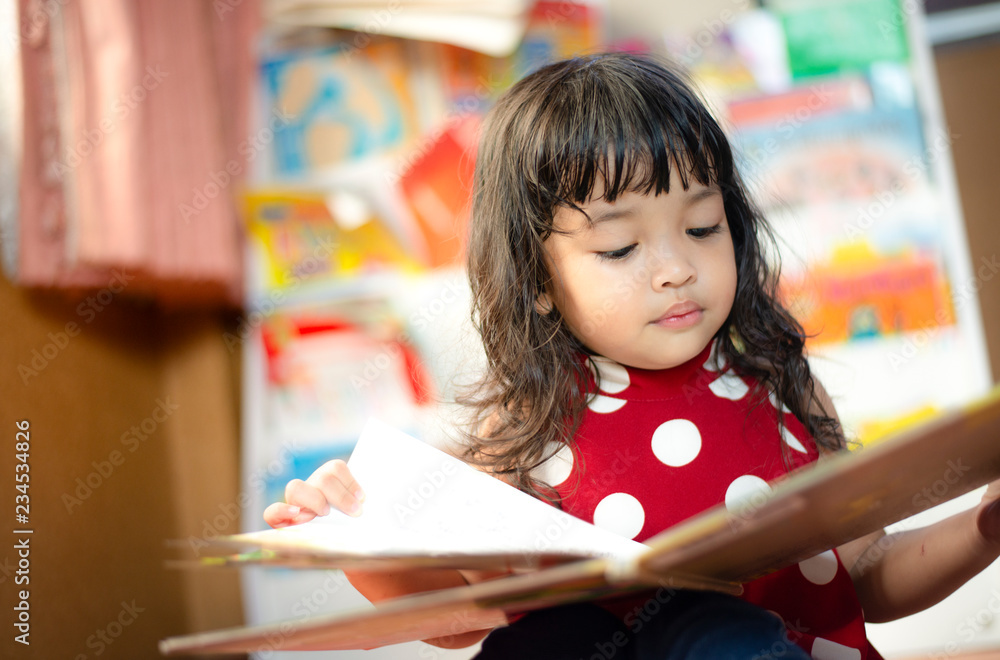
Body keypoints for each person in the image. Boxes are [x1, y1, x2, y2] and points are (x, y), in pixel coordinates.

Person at [264, 53, 1000, 659]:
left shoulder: (781, 391)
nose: (676, 267)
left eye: (704, 227)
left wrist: (980, 529)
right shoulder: (522, 430)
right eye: (620, 247)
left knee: (717, 634)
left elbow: (868, 575)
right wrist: (351, 535)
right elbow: (457, 620)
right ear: (537, 282)